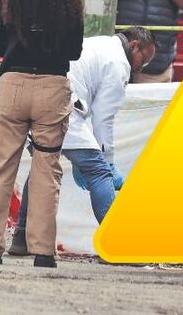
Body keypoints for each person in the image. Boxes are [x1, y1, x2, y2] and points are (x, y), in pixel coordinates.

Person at [0, 0, 83, 269]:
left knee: (1, 167)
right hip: (52, 87)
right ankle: (43, 251)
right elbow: (75, 50)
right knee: (46, 171)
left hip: (13, 84)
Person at [9, 27, 155, 257]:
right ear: (134, 45)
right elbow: (103, 118)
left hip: (39, 101)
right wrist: (108, 161)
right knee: (98, 172)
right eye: (143, 60)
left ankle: (22, 237)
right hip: (63, 106)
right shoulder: (119, 64)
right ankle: (116, 244)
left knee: (41, 167)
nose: (140, 67)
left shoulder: (99, 44)